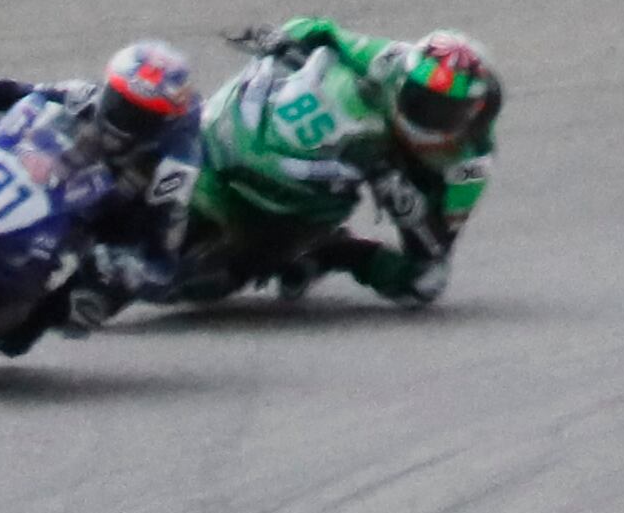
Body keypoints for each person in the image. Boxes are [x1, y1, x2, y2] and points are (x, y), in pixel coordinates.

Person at [183, 22, 502, 307]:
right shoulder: (389, 60)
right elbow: (321, 30)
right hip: (350, 133)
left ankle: (336, 251)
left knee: (424, 283)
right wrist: (282, 40)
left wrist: (406, 205)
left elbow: (435, 250)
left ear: (474, 113)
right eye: (421, 100)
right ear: (402, 81)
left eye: (447, 112)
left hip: (404, 172)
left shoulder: (469, 164)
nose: (430, 117)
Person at [0, 40, 206, 342]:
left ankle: (19, 323)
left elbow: (164, 254)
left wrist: (132, 266)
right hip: (44, 180)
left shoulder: (175, 164)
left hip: (104, 222)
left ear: (163, 123)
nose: (120, 116)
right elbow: (17, 92)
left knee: (74, 307)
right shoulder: (85, 95)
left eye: (138, 115)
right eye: (118, 101)